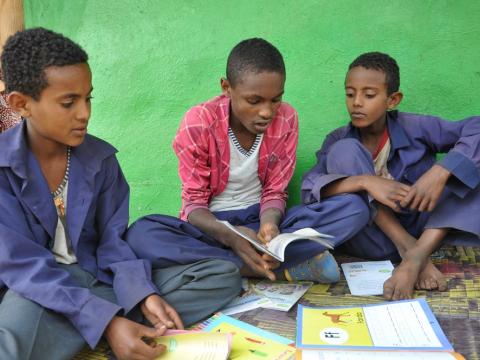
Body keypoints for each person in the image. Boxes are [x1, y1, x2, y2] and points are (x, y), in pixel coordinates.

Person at [0, 27, 241, 360]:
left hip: (99, 280)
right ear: (21, 104)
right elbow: (23, 267)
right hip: (39, 292)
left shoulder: (101, 160)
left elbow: (112, 243)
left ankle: (103, 330)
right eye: (69, 102)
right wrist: (107, 320)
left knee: (221, 275)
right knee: (10, 345)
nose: (84, 113)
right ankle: (112, 330)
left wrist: (142, 295)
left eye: (88, 98)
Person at [126, 38, 369, 283]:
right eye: (254, 101)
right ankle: (262, 267)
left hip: (260, 222)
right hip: (212, 228)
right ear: (226, 87)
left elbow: (276, 191)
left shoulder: (286, 119)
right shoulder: (198, 123)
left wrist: (269, 226)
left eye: (276, 99)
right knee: (141, 234)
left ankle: (240, 264)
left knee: (354, 209)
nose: (266, 112)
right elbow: (193, 206)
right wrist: (230, 235)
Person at [302, 51, 480, 300]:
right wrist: (365, 181)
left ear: (392, 100)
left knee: (469, 171)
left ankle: (415, 256)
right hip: (372, 239)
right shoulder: (338, 139)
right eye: (350, 93)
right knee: (344, 151)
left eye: (369, 95)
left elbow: (476, 127)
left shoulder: (416, 127)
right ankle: (409, 248)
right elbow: (308, 190)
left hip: (424, 228)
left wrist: (440, 171)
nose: (357, 102)